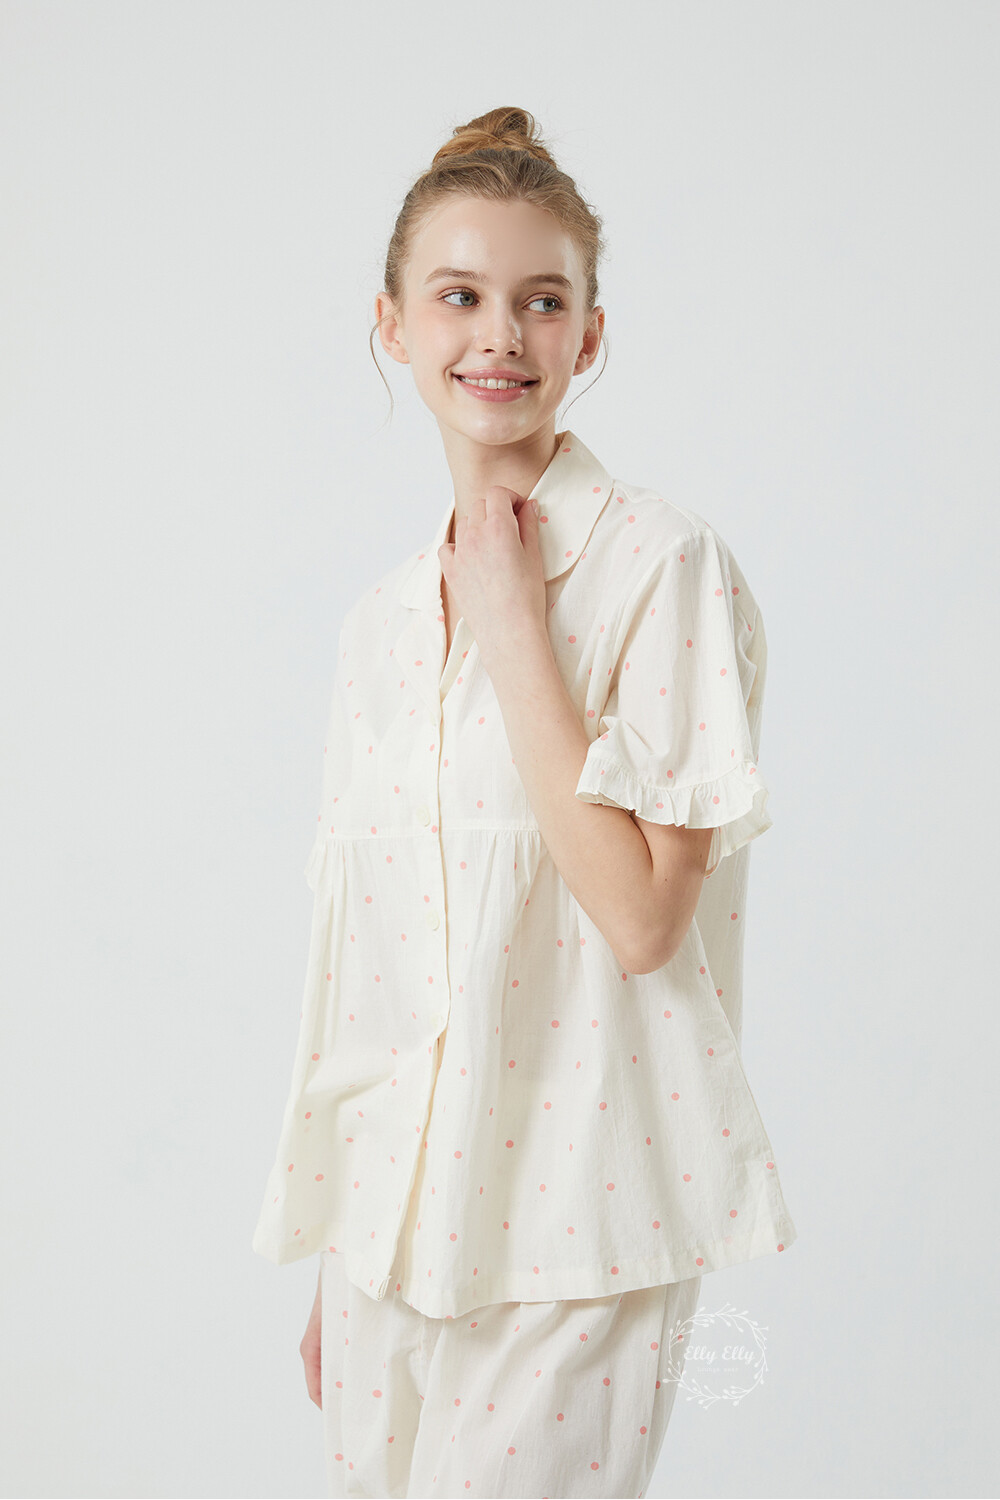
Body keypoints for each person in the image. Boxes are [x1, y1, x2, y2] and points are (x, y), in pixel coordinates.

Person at [253, 104, 798, 1499]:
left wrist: (512, 626)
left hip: (579, 1219)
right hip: (389, 1237)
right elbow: (374, 968)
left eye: (541, 301)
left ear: (588, 337)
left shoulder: (661, 567)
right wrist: (343, 1247)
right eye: (460, 295)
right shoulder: (377, 628)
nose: (500, 334)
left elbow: (644, 921)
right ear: (392, 325)